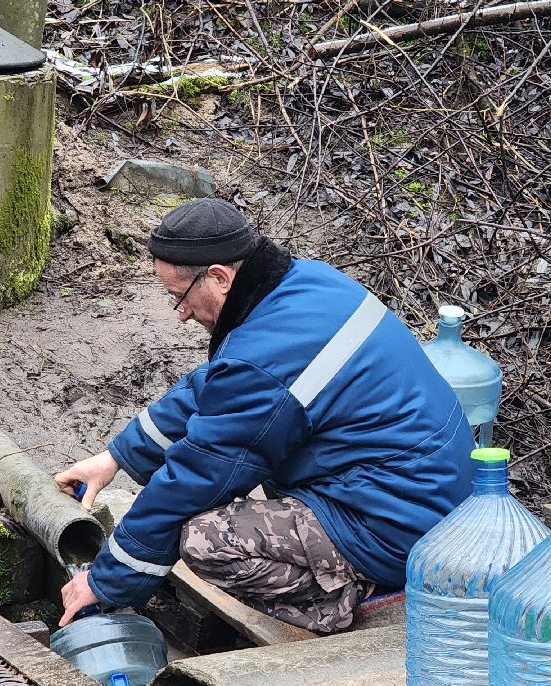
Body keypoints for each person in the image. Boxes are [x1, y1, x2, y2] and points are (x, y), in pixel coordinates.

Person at [55, 198, 475, 634]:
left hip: (400, 529)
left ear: (218, 277)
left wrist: (104, 582)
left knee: (205, 539)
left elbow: (196, 479)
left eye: (178, 296)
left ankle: (350, 597)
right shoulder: (308, 283)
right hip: (435, 493)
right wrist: (115, 459)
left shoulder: (263, 366)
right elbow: (217, 387)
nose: (180, 314)